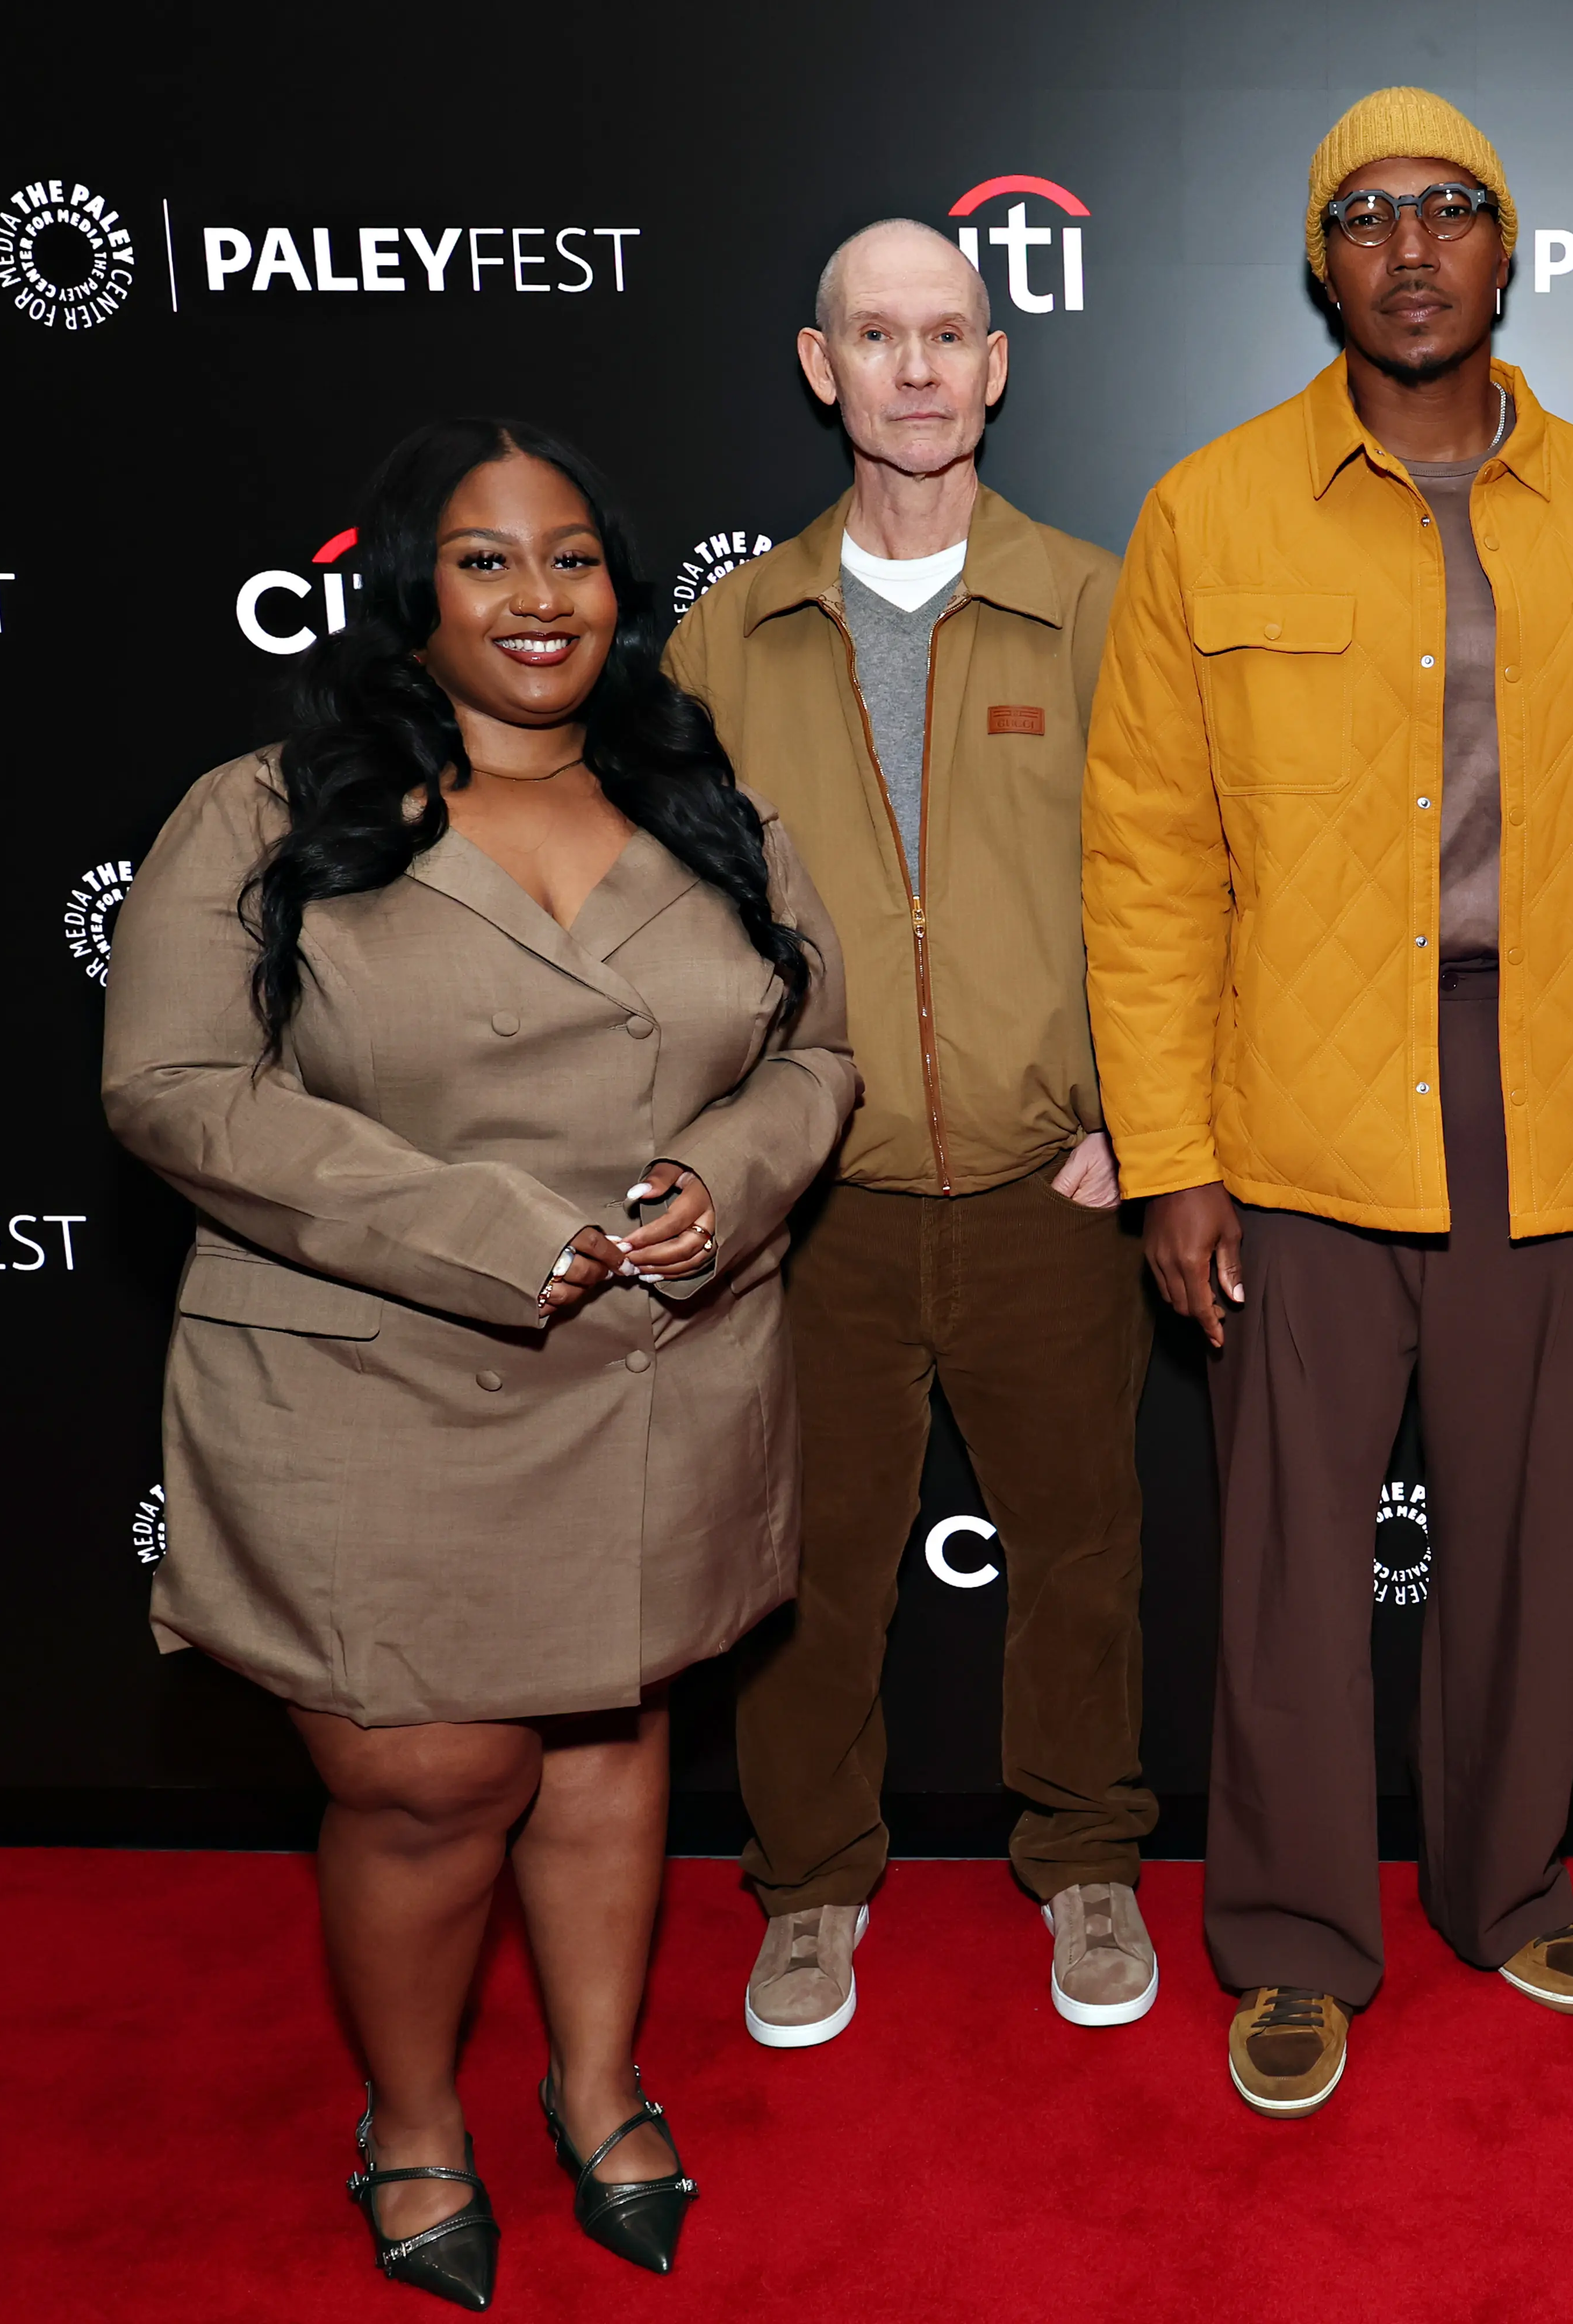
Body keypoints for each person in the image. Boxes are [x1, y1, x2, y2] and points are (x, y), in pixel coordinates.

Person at [102, 418, 855, 2305]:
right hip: (377, 1386)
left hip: (655, 1370)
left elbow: (819, 1058)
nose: (543, 598)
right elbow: (176, 1091)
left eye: (577, 558)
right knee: (430, 1782)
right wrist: (498, 1228)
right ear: (412, 592)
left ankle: (597, 2090)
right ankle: (415, 2118)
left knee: (609, 1746)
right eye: (489, 560)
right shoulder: (263, 813)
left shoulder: (708, 806)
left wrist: (725, 1176)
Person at [1083, 86, 1573, 2118]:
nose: (1412, 244)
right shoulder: (1209, 508)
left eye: (1451, 208)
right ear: (1320, 260)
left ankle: (1506, 1878)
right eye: (1366, 214)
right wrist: (1174, 1159)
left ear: (1507, 243)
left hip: (1550, 1092)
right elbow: (1148, 859)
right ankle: (1289, 1931)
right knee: (1286, 1553)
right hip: (1293, 1104)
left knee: (1532, 1538)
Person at [667, 218, 1155, 2044]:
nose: (919, 369)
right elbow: (673, 915)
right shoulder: (735, 629)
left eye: (951, 333)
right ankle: (807, 1889)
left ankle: (1089, 1860)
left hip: (1056, 1184)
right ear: (823, 367)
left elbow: (1172, 883)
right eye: (880, 337)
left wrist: (1144, 1119)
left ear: (999, 362)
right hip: (824, 1203)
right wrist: (735, 1150)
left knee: (1085, 1552)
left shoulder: (1095, 603)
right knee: (812, 1569)